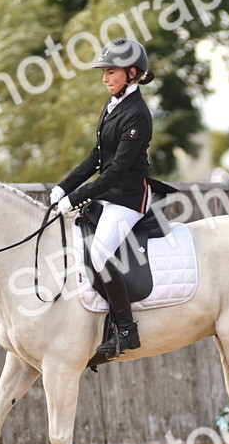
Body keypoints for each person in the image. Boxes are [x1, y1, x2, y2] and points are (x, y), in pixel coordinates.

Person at [51, 37, 163, 359]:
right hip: (108, 194)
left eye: (110, 72)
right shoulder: (114, 102)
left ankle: (126, 330)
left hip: (128, 198)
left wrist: (75, 197)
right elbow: (97, 156)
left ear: (131, 73)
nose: (104, 78)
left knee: (100, 254)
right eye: (104, 72)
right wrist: (64, 187)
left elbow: (115, 171)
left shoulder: (138, 115)